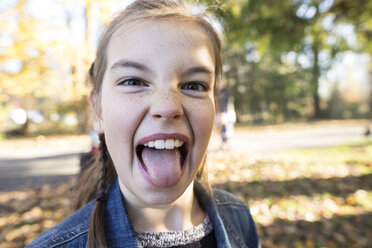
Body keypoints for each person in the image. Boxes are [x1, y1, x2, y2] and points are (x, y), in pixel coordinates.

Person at [27, 1, 259, 247]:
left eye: (194, 86)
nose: (167, 106)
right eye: (134, 81)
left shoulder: (240, 218)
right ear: (97, 110)